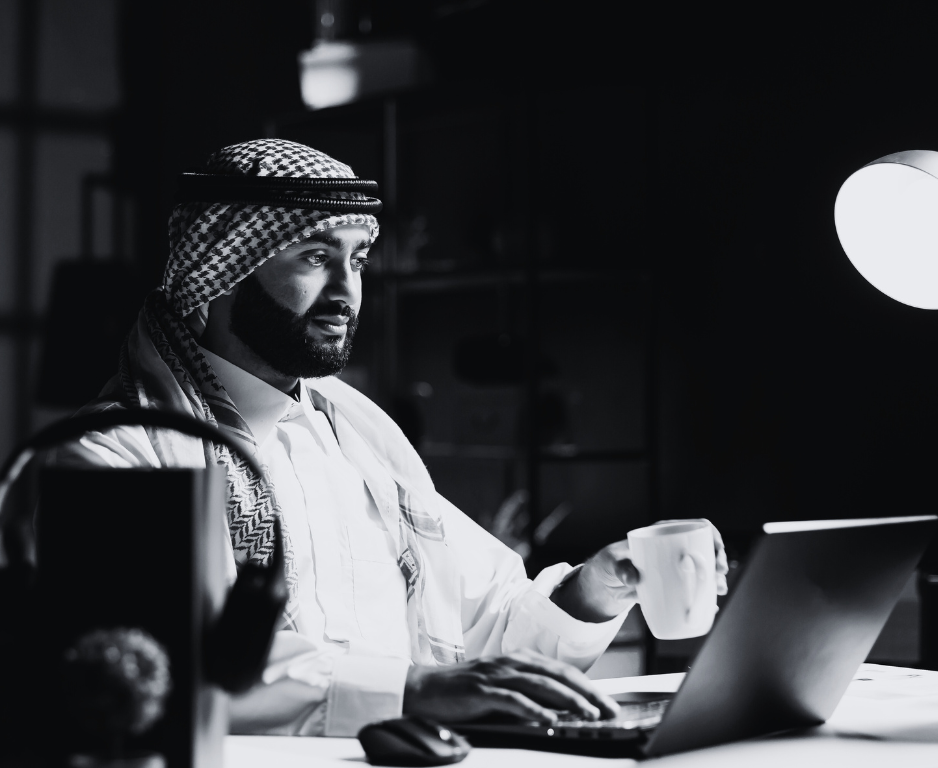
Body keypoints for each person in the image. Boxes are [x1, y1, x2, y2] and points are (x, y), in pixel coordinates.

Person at [62, 139, 728, 736]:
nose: (345, 291)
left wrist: (595, 589)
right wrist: (413, 693)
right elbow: (165, 673)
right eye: (314, 257)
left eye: (357, 260)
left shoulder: (356, 438)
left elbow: (486, 625)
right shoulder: (118, 451)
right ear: (223, 269)